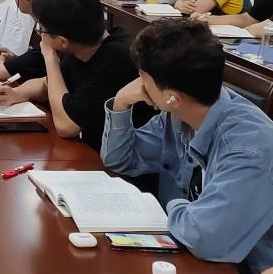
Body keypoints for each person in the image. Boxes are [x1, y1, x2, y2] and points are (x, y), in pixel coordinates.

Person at [102, 19, 273, 272]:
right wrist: (121, 103)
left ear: (172, 97)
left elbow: (204, 238)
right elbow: (121, 159)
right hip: (193, 255)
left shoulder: (248, 149)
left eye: (143, 77)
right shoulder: (180, 114)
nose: (139, 84)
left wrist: (172, 206)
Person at [0, 0, 147, 149]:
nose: (40, 36)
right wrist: (15, 93)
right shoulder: (83, 42)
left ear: (62, 41)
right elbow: (47, 84)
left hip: (123, 157)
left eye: (41, 30)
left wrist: (50, 59)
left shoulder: (118, 59)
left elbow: (66, 126)